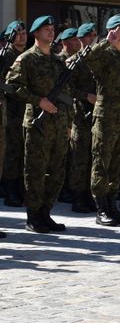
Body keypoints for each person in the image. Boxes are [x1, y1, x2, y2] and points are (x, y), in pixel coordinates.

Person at [6, 16, 71, 233]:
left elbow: (67, 94)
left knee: (56, 171)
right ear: (36, 34)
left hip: (59, 124)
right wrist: (39, 100)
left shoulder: (57, 61)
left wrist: (69, 122)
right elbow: (12, 86)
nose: (51, 32)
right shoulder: (26, 59)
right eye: (46, 29)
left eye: (52, 29)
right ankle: (33, 216)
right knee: (35, 170)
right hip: (37, 124)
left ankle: (46, 212)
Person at [85, 13, 120, 226]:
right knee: (102, 162)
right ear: (112, 30)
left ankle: (112, 204)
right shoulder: (103, 55)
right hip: (106, 117)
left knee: (119, 164)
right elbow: (86, 60)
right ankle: (101, 208)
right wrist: (105, 42)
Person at [68, 22, 99, 213]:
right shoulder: (73, 62)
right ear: (80, 39)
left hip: (96, 116)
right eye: (88, 37)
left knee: (93, 157)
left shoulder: (98, 61)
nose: (92, 40)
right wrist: (86, 96)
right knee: (80, 158)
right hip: (80, 115)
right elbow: (67, 88)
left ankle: (89, 193)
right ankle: (77, 197)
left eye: (94, 36)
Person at [1, 20, 27, 207]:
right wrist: (15, 90)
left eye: (24, 33)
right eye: (17, 33)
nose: (21, 36)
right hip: (9, 110)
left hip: (24, 109)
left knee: (22, 151)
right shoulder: (5, 56)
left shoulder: (27, 56)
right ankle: (9, 189)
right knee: (11, 151)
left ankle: (18, 187)